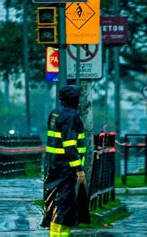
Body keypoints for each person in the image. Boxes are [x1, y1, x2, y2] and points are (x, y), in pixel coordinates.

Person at [42, 85, 87, 236]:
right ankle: (59, 234)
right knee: (65, 204)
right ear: (73, 98)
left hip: (53, 164)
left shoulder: (54, 113)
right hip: (66, 167)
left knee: (54, 200)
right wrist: (79, 169)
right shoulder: (71, 116)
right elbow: (69, 145)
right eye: (78, 97)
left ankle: (55, 233)